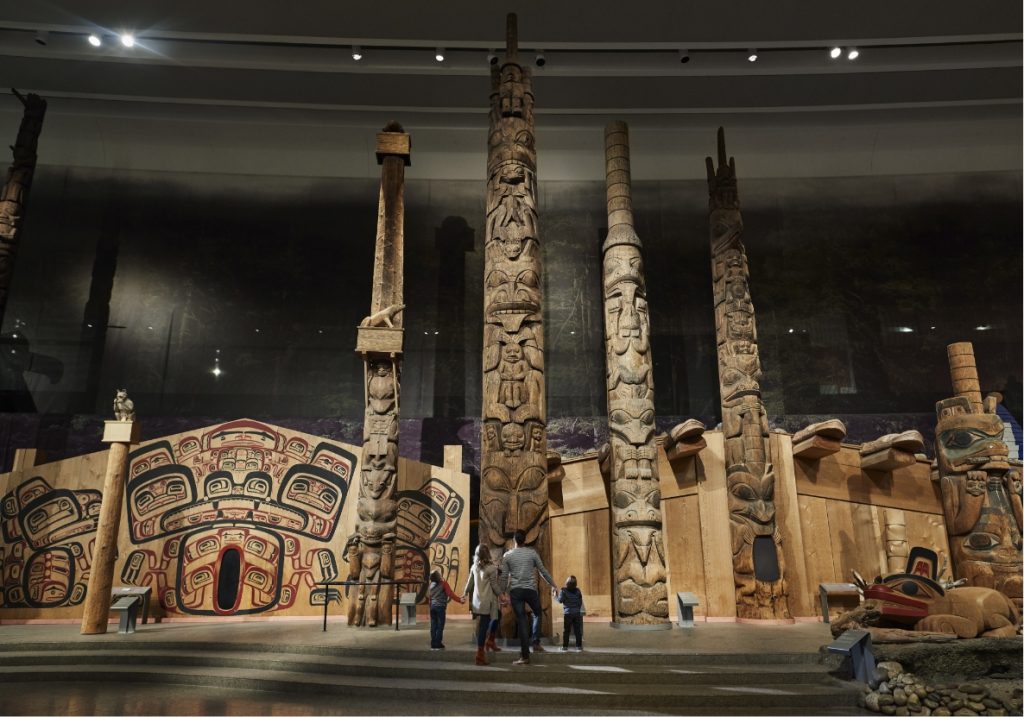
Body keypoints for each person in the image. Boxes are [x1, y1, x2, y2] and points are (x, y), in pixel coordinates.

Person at [500, 529, 558, 665]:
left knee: (522, 622)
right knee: (538, 613)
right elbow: (543, 571)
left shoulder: (507, 556)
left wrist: (502, 593)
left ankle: (525, 656)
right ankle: (536, 642)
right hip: (530, 591)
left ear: (514, 540)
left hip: (516, 592)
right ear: (525, 540)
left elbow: (504, 577)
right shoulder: (532, 553)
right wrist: (554, 585)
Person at [463, 544, 503, 665]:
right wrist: (502, 595)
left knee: (497, 616)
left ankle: (490, 641)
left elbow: (469, 583)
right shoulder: (491, 568)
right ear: (488, 554)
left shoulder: (474, 567)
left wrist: (464, 594)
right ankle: (480, 655)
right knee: (484, 627)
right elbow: (494, 586)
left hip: (478, 601)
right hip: (488, 601)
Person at [428, 569, 464, 650]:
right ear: (438, 576)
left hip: (432, 607)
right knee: (440, 626)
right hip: (440, 607)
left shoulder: (431, 585)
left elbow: (430, 597)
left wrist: (430, 607)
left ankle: (433, 643)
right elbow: (450, 594)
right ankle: (438, 644)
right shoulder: (443, 584)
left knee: (433, 626)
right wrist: (459, 600)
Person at [553, 575, 584, 651]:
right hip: (577, 613)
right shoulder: (578, 590)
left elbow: (559, 601)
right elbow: (580, 602)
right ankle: (579, 647)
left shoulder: (563, 590)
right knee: (577, 630)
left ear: (567, 583)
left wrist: (555, 595)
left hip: (568, 613)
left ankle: (565, 647)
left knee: (566, 630)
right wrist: (576, 609)